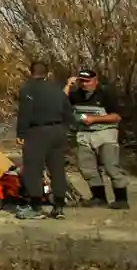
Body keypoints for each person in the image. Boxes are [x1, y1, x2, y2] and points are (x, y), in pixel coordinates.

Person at [14, 58, 73, 220]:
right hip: (58, 132)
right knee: (58, 170)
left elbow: (25, 113)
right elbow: (68, 113)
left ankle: (35, 206)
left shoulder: (28, 89)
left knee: (33, 170)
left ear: (30, 72)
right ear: (48, 74)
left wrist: (21, 133)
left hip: (37, 132)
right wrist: (65, 130)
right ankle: (59, 207)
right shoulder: (57, 90)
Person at [67, 66, 129, 209]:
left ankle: (121, 199)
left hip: (105, 134)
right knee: (87, 168)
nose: (84, 84)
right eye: (81, 81)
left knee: (111, 166)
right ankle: (99, 197)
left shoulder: (106, 95)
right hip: (84, 135)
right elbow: (60, 102)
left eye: (87, 81)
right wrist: (68, 85)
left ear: (95, 81)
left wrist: (95, 119)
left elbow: (116, 116)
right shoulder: (76, 95)